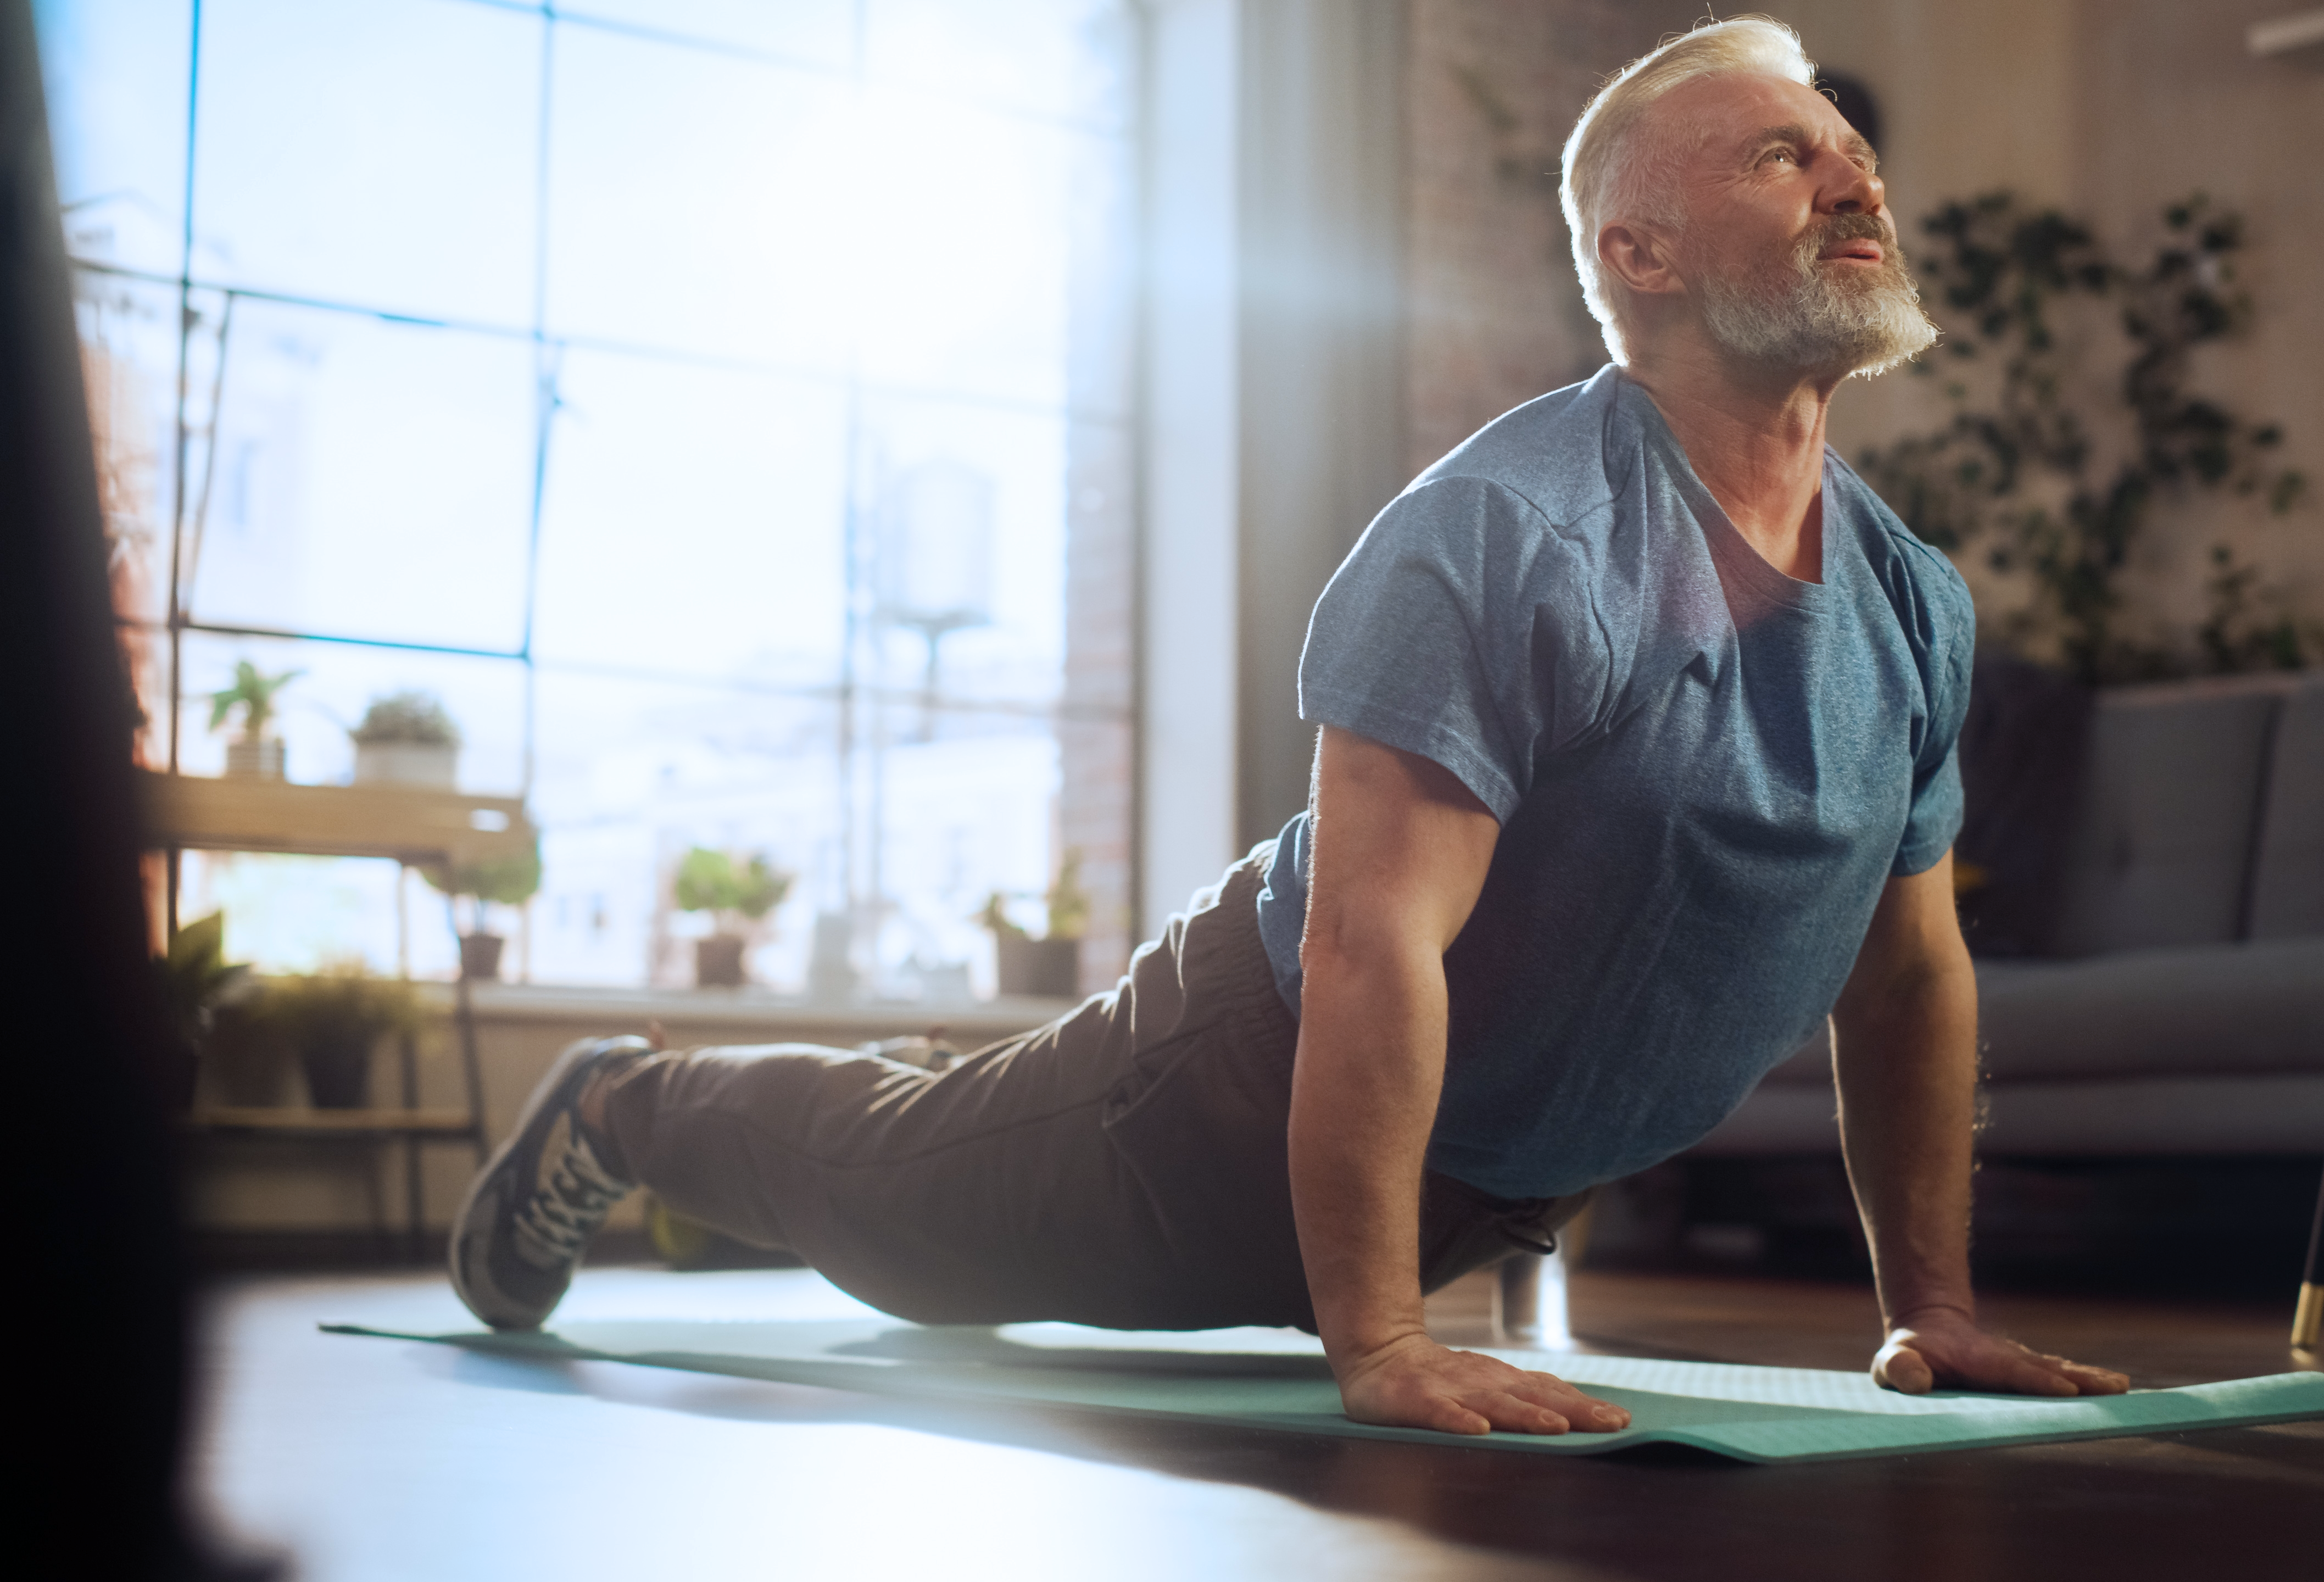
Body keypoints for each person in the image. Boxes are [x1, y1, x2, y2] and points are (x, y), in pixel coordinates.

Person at [450, 15, 2128, 1438]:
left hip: (1470, 1171)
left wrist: (1938, 1312)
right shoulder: (1509, 534)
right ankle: (618, 1103)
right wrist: (1381, 1338)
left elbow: (1909, 974)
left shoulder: (1909, 599)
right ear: (1643, 253)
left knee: (940, 1201)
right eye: (1782, 155)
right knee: (913, 1225)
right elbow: (1367, 942)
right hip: (1224, 1090)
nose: (1857, 178)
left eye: (1852, 149)